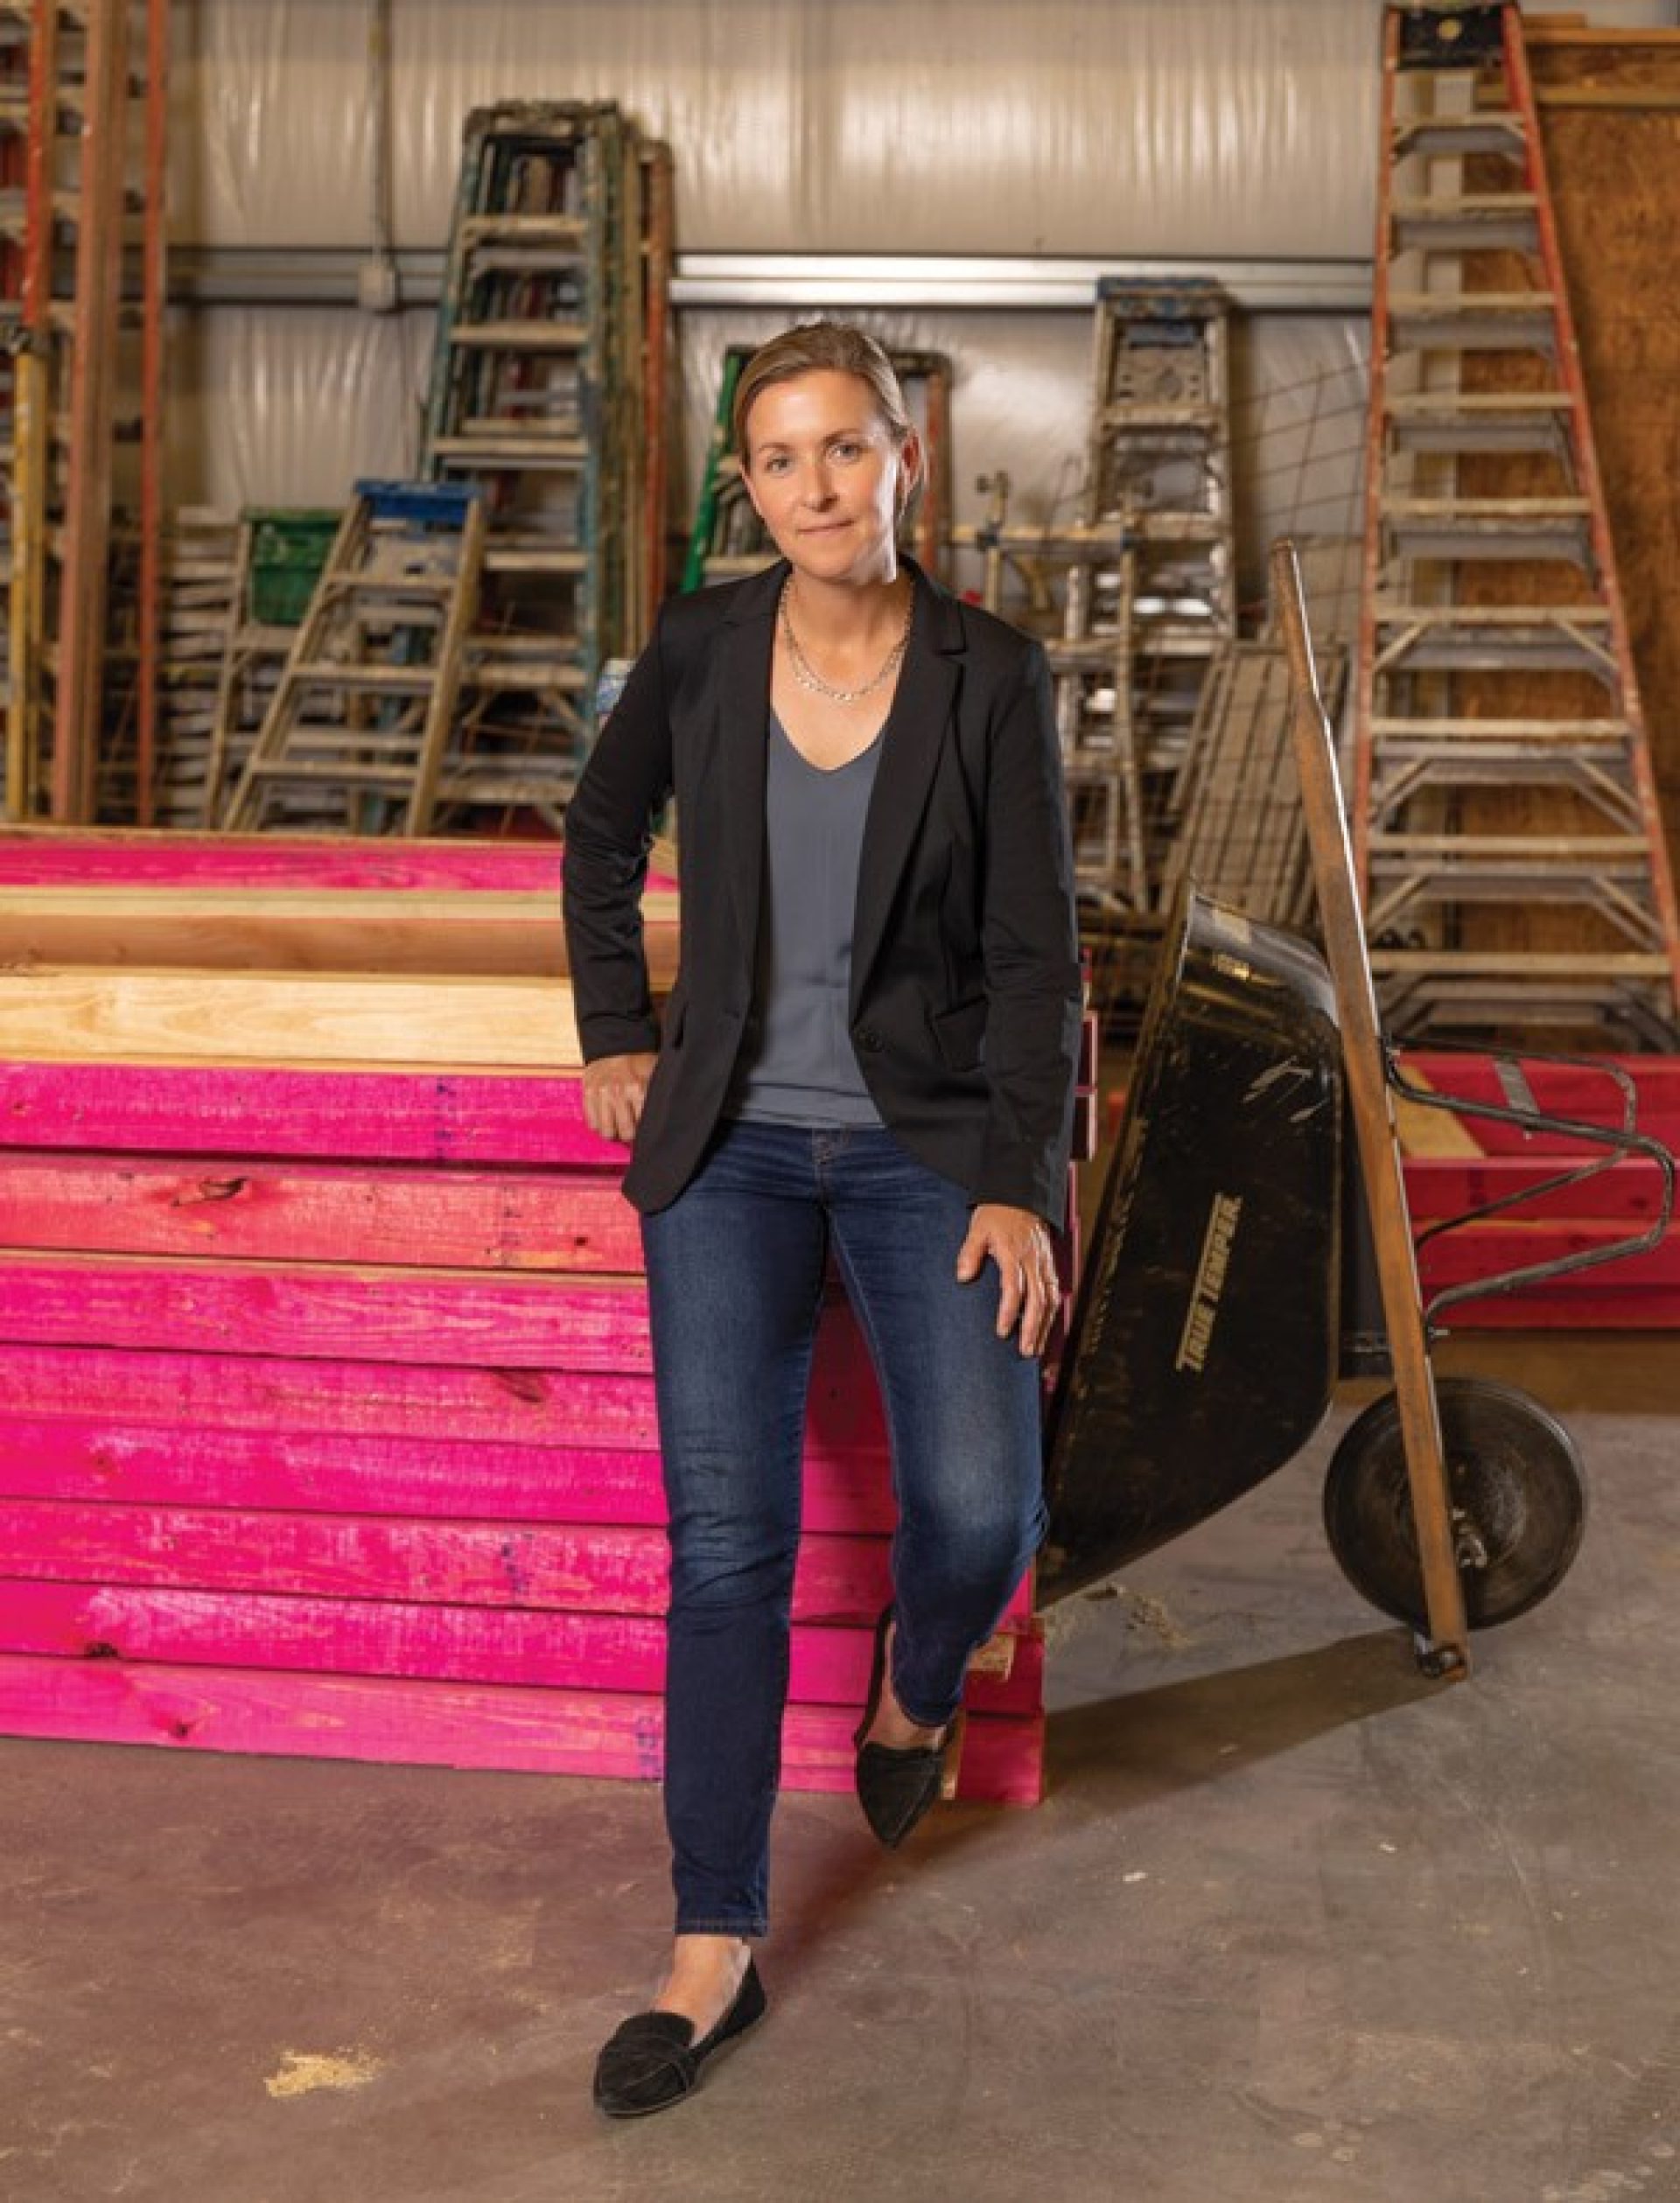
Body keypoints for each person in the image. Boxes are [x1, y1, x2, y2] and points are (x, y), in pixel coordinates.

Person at [563, 321, 1082, 2119]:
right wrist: (619, 1031)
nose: (813, 488)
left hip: (926, 1140)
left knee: (980, 1499)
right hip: (728, 1151)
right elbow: (598, 832)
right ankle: (713, 1939)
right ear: (750, 483)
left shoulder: (990, 674)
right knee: (727, 1542)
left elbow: (1036, 959)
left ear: (905, 456)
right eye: (779, 460)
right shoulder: (704, 643)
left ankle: (915, 1684)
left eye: (843, 450)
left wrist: (1021, 1175)